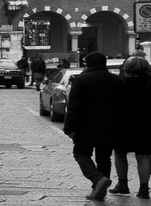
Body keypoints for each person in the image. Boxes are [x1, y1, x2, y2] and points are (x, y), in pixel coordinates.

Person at [63, 52, 127, 202]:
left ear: (87, 64)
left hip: (85, 127)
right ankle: (98, 191)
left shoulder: (81, 80)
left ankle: (98, 179)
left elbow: (74, 107)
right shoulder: (118, 81)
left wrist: (69, 128)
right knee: (104, 157)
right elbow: (125, 106)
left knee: (81, 154)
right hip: (111, 127)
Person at [116, 55, 151, 200]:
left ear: (126, 68)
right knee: (143, 156)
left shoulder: (121, 83)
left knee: (120, 153)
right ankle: (143, 189)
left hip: (123, 124)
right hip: (147, 125)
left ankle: (123, 184)